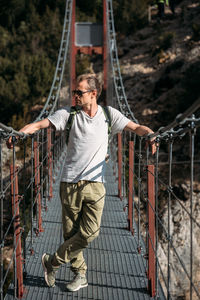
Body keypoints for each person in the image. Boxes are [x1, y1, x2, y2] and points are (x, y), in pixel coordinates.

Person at [7, 73, 156, 292]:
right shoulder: (67, 114)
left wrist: (151, 134)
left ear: (94, 94)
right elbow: (40, 125)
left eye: (80, 92)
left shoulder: (109, 115)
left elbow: (135, 128)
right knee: (70, 234)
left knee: (90, 232)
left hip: (96, 184)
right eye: (75, 91)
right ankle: (80, 274)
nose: (75, 95)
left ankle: (52, 262)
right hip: (69, 183)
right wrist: (20, 133)